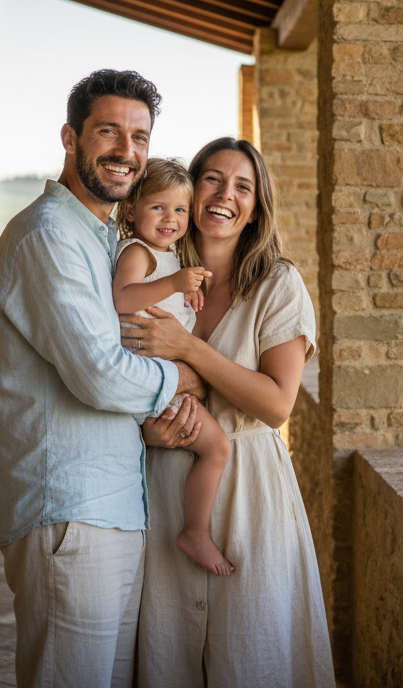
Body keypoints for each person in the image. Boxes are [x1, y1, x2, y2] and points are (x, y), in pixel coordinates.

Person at [0, 70, 206, 688]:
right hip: (69, 511)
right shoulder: (50, 238)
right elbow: (101, 375)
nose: (125, 150)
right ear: (70, 137)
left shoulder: (102, 239)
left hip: (106, 506)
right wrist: (189, 376)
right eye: (108, 131)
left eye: (139, 136)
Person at [122, 137, 336, 688]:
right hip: (167, 488)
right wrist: (152, 429)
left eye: (243, 186)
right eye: (213, 179)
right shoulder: (156, 274)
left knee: (252, 649)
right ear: (191, 192)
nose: (225, 195)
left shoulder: (277, 284)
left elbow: (276, 404)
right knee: (170, 652)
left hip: (250, 489)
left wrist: (188, 349)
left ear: (257, 206)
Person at [112, 157, 233, 577]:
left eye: (180, 210)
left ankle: (193, 529)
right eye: (158, 207)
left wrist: (186, 295)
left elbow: (164, 304)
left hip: (165, 378)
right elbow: (123, 300)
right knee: (218, 448)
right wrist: (176, 283)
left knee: (213, 447)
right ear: (131, 211)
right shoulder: (137, 252)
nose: (171, 218)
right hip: (155, 381)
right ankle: (194, 532)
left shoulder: (166, 257)